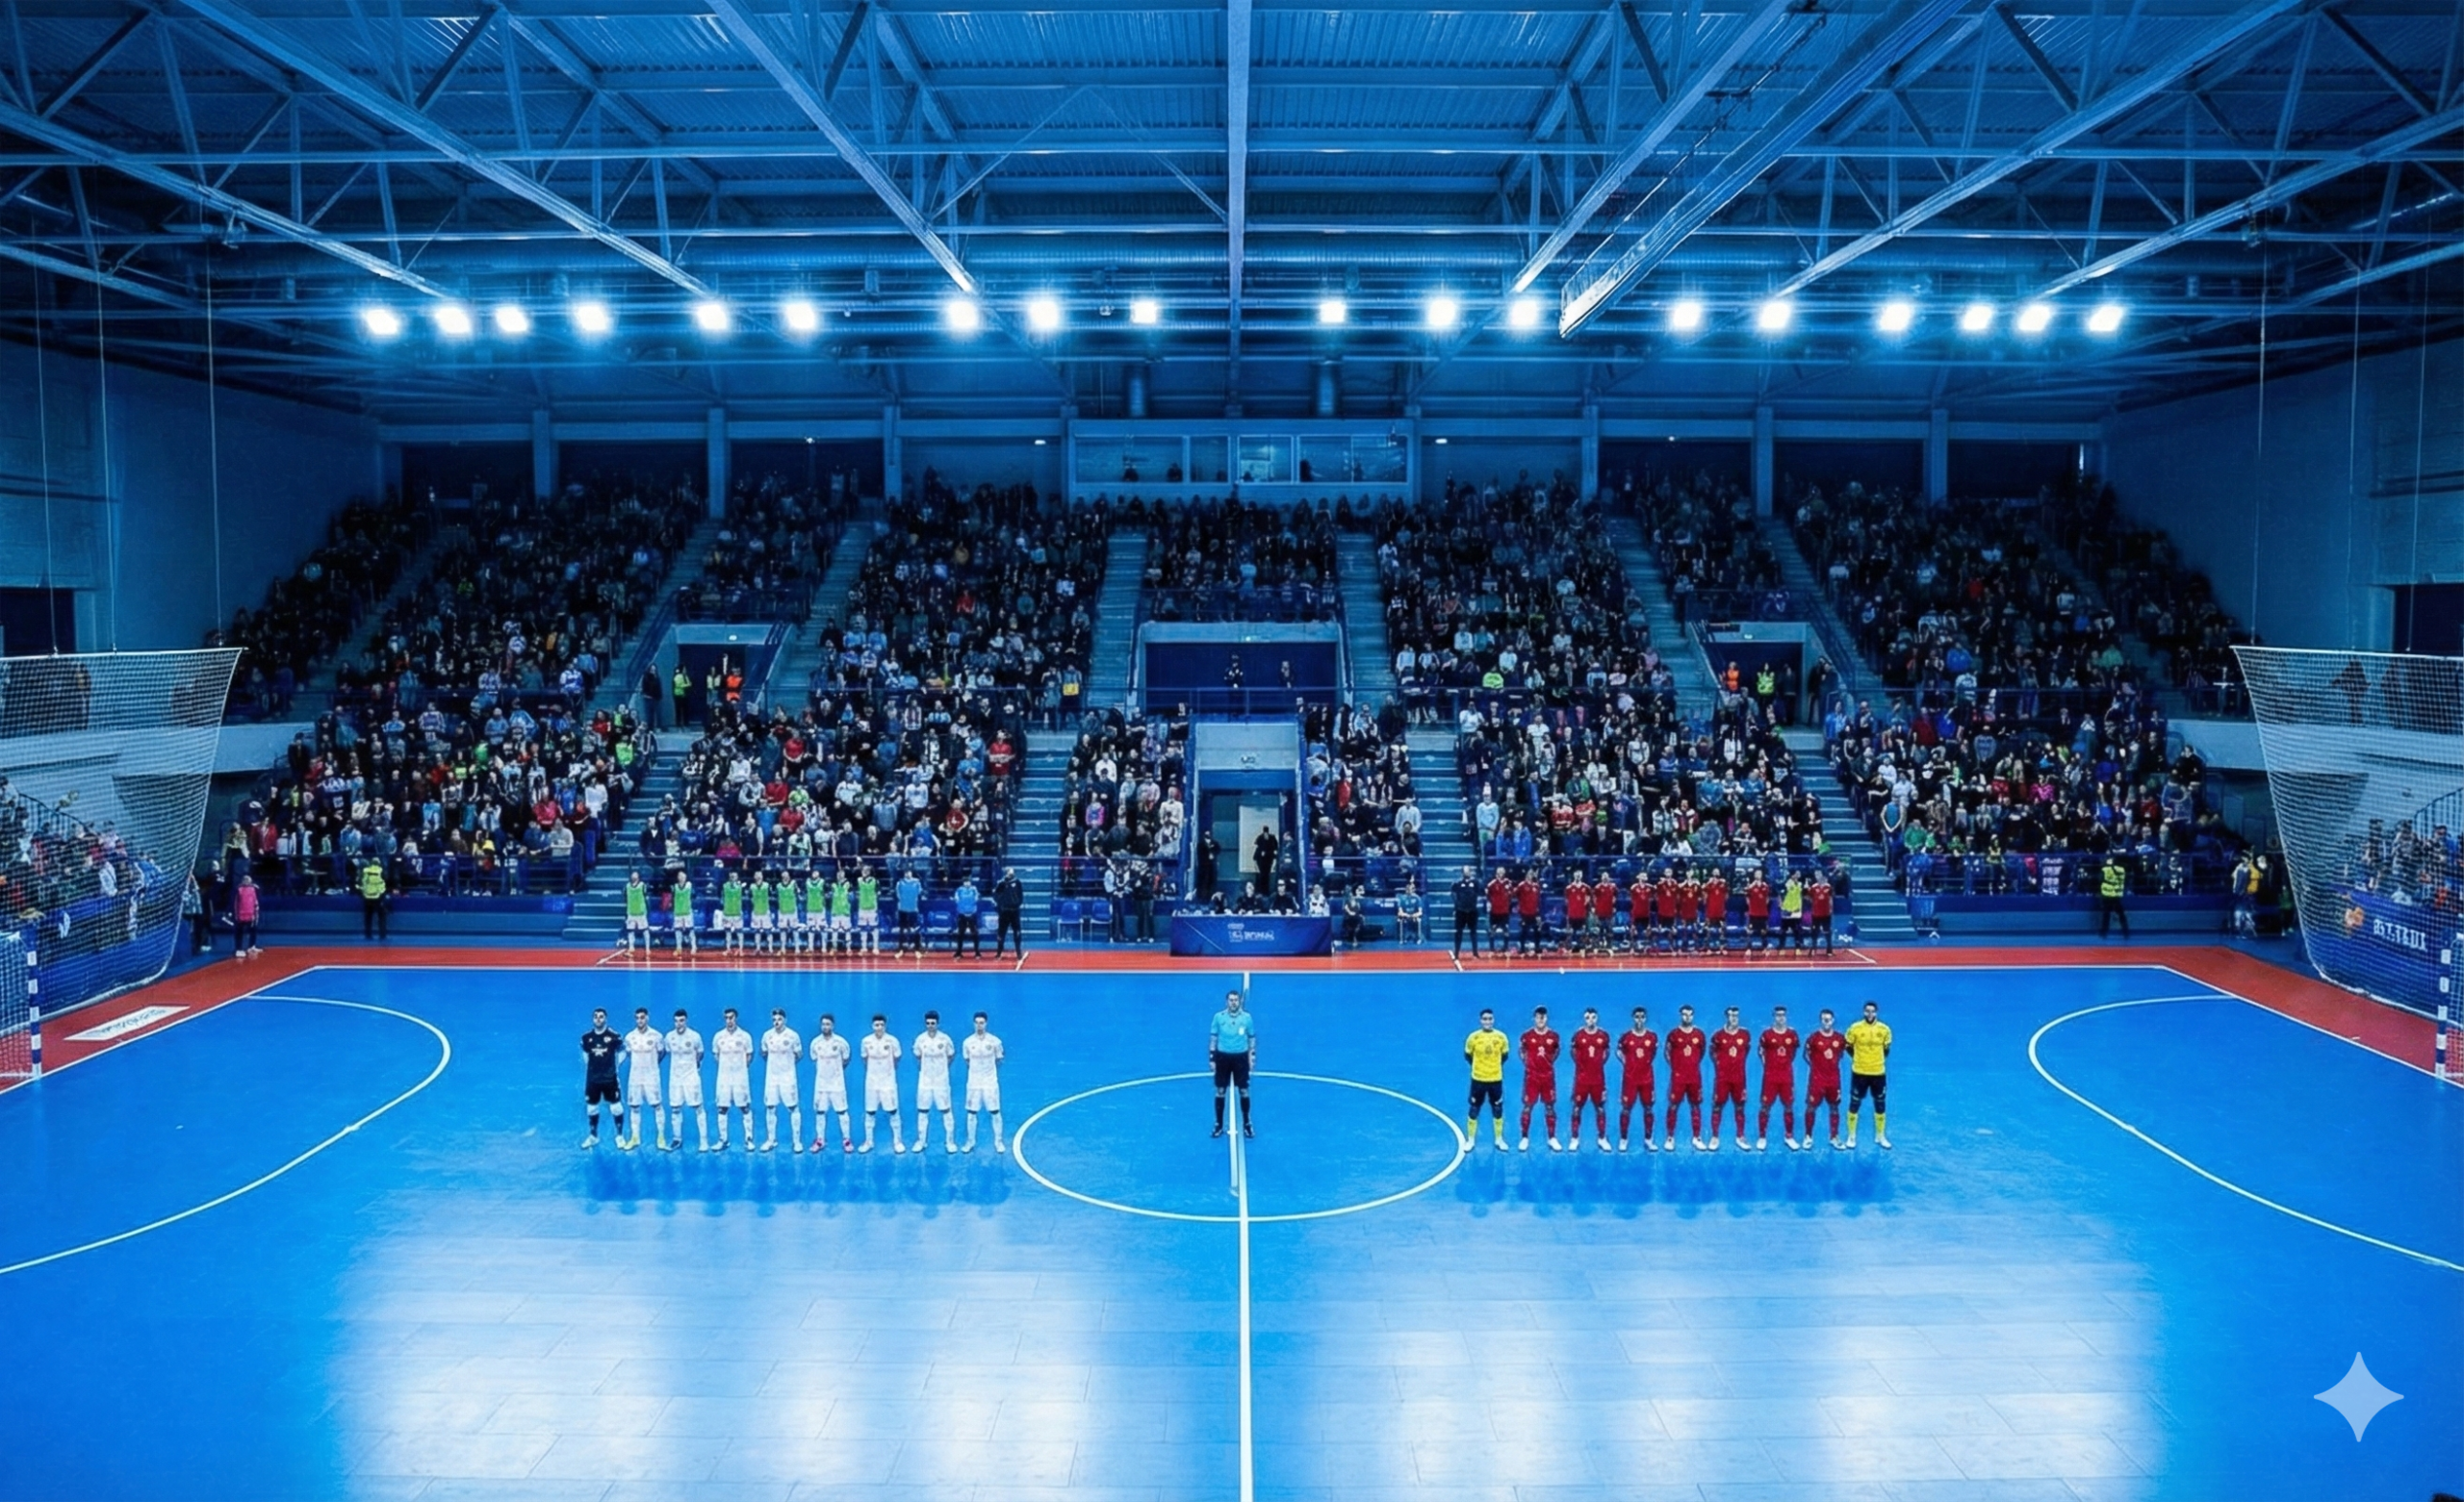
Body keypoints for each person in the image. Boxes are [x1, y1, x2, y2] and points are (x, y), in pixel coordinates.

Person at [1844, 1000, 1892, 1149]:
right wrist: (1860, 1059)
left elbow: (1886, 1050)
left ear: (1876, 1012)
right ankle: (1851, 1137)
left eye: (1872, 1011)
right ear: (1863, 1012)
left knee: (1880, 1103)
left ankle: (1880, 1136)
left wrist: (1875, 1061)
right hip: (1859, 1072)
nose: (1870, 1014)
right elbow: (1848, 1046)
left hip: (1878, 1073)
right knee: (1854, 1103)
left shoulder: (1885, 1030)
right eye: (1867, 1011)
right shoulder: (1855, 1028)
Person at [1208, 988, 1256, 1139]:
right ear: (1227, 1001)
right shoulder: (1218, 1017)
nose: (1233, 1002)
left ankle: (1247, 1123)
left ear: (1239, 1001)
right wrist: (1212, 1058)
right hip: (1223, 1058)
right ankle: (1219, 1124)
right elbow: (1214, 1039)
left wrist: (1251, 1058)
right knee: (1220, 1090)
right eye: (1231, 1000)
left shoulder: (1247, 1018)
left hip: (1240, 1058)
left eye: (1236, 1000)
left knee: (1243, 1091)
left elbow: (1251, 1038)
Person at [1756, 1006, 1802, 1152]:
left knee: (1788, 1105)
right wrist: (1770, 1067)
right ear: (1774, 1017)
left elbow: (1793, 1053)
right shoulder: (1766, 1035)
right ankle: (1762, 1137)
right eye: (1777, 1015)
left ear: (1786, 1017)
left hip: (1786, 1077)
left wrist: (1784, 1065)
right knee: (1765, 1106)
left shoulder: (1792, 1035)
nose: (1780, 1018)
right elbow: (1761, 1052)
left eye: (1783, 1015)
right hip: (1770, 1077)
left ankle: (1789, 1137)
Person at [1463, 1007, 1510, 1150]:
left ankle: (1499, 1139)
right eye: (1485, 1019)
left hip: (1495, 1079)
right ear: (1480, 1020)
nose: (1487, 1021)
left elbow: (1504, 1056)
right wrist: (1479, 1068)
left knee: (1497, 1109)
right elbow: (1468, 1055)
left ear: (1493, 1020)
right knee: (1474, 1108)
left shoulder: (1501, 1037)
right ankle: (1470, 1140)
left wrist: (1493, 1067)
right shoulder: (1473, 1038)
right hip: (1478, 1079)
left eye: (1490, 1019)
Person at [1662, 1004, 1707, 1151]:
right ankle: (1670, 1138)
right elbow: (1667, 1053)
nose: (1687, 1017)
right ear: (1680, 1015)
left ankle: (1697, 1138)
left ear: (1693, 1016)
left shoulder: (1699, 1035)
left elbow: (1701, 1053)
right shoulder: (1673, 1035)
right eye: (1684, 1014)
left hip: (1694, 1077)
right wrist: (1676, 1068)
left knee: (1695, 1105)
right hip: (1678, 1077)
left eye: (1690, 1014)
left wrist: (1691, 1065)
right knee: (1673, 1105)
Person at [912, 1010, 959, 1153]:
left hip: (941, 1081)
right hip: (925, 1081)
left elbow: (951, 1056)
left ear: (938, 1023)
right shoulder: (920, 1040)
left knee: (946, 1110)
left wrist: (941, 1069)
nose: (930, 1026)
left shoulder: (945, 1040)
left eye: (933, 1023)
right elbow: (918, 1057)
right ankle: (921, 1141)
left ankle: (950, 1142)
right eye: (928, 1023)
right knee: (923, 1111)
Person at [621, 1006, 666, 1151]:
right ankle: (635, 1138)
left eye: (642, 1017)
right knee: (634, 1106)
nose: (640, 1020)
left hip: (651, 1077)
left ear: (647, 1018)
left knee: (657, 1105)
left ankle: (661, 1137)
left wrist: (651, 1064)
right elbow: (629, 1054)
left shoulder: (656, 1036)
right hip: (635, 1077)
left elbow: (662, 1053)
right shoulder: (629, 1037)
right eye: (637, 1018)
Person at [1517, 1005, 1561, 1152]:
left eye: (1543, 1016)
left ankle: (1552, 1138)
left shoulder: (1553, 1036)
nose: (1541, 1019)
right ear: (1534, 1018)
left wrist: (1547, 1064)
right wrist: (1529, 1064)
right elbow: (1521, 1051)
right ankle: (1524, 1138)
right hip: (1532, 1077)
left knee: (1550, 1106)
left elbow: (1556, 1051)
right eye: (1538, 1016)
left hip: (1547, 1077)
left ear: (1546, 1018)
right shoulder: (1527, 1036)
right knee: (1528, 1106)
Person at [860, 1014, 906, 1153]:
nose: (879, 1028)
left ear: (885, 1026)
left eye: (881, 1025)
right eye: (876, 1025)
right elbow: (865, 1060)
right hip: (872, 1083)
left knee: (893, 1111)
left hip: (888, 1083)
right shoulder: (866, 1041)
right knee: (870, 1112)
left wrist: (888, 1073)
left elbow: (897, 1059)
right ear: (872, 1026)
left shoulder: (892, 1041)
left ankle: (897, 1141)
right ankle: (869, 1141)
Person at [665, 1008, 709, 1152]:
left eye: (682, 1021)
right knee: (675, 1108)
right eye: (676, 1021)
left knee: (698, 1107)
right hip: (675, 1079)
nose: (679, 1024)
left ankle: (703, 1141)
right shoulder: (669, 1037)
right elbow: (666, 1052)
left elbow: (700, 1053)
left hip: (691, 1078)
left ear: (686, 1021)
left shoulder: (695, 1036)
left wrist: (694, 1067)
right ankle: (677, 1139)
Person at [808, 1013, 854, 1152]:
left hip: (837, 1084)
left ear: (833, 1025)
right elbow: (814, 1059)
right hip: (821, 1085)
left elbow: (846, 1059)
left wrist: (836, 1072)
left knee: (842, 1112)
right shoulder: (815, 1043)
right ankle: (820, 1140)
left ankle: (846, 1140)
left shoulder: (841, 1043)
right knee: (820, 1112)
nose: (825, 1027)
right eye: (823, 1024)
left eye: (828, 1024)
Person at [962, 1010, 1006, 1153]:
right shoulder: (967, 1042)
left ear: (986, 1023)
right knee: (972, 1112)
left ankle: (998, 1142)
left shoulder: (995, 1042)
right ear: (973, 1023)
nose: (979, 1025)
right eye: (977, 1023)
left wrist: (988, 1073)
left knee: (995, 1111)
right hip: (974, 1082)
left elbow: (999, 1059)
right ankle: (970, 1142)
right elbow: (967, 1060)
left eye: (982, 1023)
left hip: (990, 1082)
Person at [1709, 1006, 1753, 1151]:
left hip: (1739, 1078)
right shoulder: (1718, 1036)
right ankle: (1715, 1137)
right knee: (1717, 1106)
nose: (1734, 1019)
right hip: (1722, 1078)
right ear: (1726, 1017)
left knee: (1740, 1106)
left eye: (1736, 1016)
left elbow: (1746, 1051)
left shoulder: (1745, 1035)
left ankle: (1740, 1136)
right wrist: (1721, 1066)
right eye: (1731, 1016)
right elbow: (1712, 1052)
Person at [1804, 1008, 1848, 1149]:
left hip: (1833, 1080)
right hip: (1817, 1080)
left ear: (1833, 1020)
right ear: (1821, 1020)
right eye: (1824, 1019)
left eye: (1829, 1019)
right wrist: (1817, 1067)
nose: (1827, 1022)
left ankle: (1834, 1137)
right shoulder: (1813, 1038)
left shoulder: (1840, 1039)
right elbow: (1806, 1055)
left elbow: (1841, 1054)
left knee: (1834, 1107)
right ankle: (1808, 1136)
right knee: (1811, 1107)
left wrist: (1830, 1066)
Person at [759, 1008, 803, 1152]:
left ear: (784, 1020)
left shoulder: (793, 1036)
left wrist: (786, 1066)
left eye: (779, 1019)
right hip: (772, 1077)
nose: (776, 1022)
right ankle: (771, 1140)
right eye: (774, 1020)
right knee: (770, 1107)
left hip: (788, 1077)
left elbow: (799, 1054)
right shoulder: (767, 1036)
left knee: (793, 1107)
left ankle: (796, 1142)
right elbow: (764, 1053)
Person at [580, 1006, 625, 1150]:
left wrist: (616, 1066)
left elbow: (623, 1051)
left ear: (605, 1018)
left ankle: (619, 1135)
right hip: (593, 1080)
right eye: (596, 1016)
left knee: (616, 1108)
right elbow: (585, 1054)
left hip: (610, 1079)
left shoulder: (614, 1036)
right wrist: (592, 1068)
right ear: (593, 1019)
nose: (598, 1019)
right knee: (591, 1109)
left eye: (601, 1016)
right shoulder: (586, 1038)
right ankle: (593, 1136)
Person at [1569, 1006, 1612, 1151]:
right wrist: (1583, 1067)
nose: (1590, 1020)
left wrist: (1597, 1065)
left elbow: (1607, 1052)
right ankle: (1574, 1139)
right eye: (1587, 1018)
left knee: (1600, 1108)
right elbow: (1573, 1052)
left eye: (1593, 1017)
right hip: (1582, 1080)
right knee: (1576, 1108)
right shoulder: (1578, 1036)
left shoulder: (1603, 1036)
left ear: (1597, 1018)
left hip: (1598, 1080)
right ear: (1584, 1019)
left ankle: (1602, 1138)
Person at [711, 1007, 755, 1150]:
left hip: (740, 1077)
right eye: (726, 1018)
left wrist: (739, 1069)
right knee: (722, 1108)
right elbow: (716, 1055)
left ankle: (749, 1140)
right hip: (724, 1078)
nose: (729, 1021)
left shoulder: (745, 1036)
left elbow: (749, 1055)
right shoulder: (718, 1037)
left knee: (745, 1107)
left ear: (736, 1018)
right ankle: (723, 1140)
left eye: (731, 1018)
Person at [1616, 1006, 1657, 1152]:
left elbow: (1653, 1053)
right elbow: (1619, 1051)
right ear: (1633, 1018)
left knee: (1648, 1108)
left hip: (1646, 1079)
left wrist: (1644, 1065)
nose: (1639, 1020)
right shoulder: (1626, 1037)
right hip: (1630, 1079)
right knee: (1626, 1108)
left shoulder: (1652, 1037)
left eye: (1642, 1017)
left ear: (1645, 1018)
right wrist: (1626, 1062)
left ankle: (1648, 1139)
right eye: (1637, 1017)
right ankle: (1623, 1139)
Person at [991, 866, 1026, 957]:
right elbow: (995, 894)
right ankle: (999, 952)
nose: (1011, 874)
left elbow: (1021, 895)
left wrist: (1017, 903)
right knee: (1001, 932)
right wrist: (1001, 904)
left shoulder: (1017, 882)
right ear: (1006, 873)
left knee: (1017, 932)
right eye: (1010, 872)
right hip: (1004, 912)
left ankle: (1018, 952)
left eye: (1012, 872)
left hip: (1014, 911)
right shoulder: (1001, 883)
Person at [357, 854, 389, 942]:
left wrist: (362, 892)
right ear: (379, 863)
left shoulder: (365, 871)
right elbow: (386, 881)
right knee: (381, 916)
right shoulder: (381, 871)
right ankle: (382, 935)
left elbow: (360, 882)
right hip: (378, 897)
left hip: (367, 897)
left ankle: (368, 935)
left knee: (368, 917)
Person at [2097, 856, 2130, 940]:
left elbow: (2100, 879)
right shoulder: (2122, 870)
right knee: (2121, 914)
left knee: (2106, 915)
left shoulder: (2105, 869)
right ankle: (2126, 932)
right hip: (2117, 895)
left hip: (2107, 895)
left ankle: (2104, 933)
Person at [232, 870, 261, 960]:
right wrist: (235, 915)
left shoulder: (254, 889)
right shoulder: (238, 890)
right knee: (239, 932)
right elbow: (235, 903)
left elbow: (256, 901)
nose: (247, 881)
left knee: (253, 930)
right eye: (245, 879)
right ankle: (238, 949)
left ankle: (251, 946)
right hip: (241, 914)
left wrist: (256, 913)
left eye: (248, 879)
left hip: (251, 914)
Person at [952, 874, 983, 957]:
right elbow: (956, 899)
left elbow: (977, 898)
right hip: (962, 915)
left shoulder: (974, 889)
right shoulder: (959, 890)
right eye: (965, 882)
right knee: (960, 934)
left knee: (975, 933)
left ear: (970, 882)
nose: (967, 883)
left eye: (968, 882)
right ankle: (958, 952)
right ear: (963, 883)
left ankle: (977, 952)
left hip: (972, 914)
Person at [1450, 868, 1479, 959]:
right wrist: (1457, 904)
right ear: (1462, 873)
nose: (1467, 872)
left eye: (1468, 871)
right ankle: (1456, 953)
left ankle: (1475, 953)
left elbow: (1480, 893)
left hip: (1472, 911)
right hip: (1461, 911)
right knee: (1458, 932)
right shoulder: (1457, 883)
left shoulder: (1475, 883)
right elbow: (1453, 894)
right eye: (1465, 871)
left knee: (1473, 932)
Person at [894, 867, 924, 955]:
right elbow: (898, 895)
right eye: (906, 872)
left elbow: (919, 894)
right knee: (902, 930)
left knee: (916, 929)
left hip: (913, 909)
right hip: (902, 909)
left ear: (912, 873)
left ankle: (917, 949)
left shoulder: (917, 883)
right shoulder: (899, 883)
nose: (908, 874)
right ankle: (901, 948)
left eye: (909, 872)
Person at [621, 870, 651, 955]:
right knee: (630, 931)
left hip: (641, 912)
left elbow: (646, 897)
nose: (633, 876)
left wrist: (646, 909)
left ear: (638, 876)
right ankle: (631, 947)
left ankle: (647, 949)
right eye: (632, 874)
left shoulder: (642, 886)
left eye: (635, 874)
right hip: (631, 912)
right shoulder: (627, 886)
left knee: (645, 930)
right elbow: (625, 897)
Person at [717, 868, 746, 955]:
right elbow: (720, 895)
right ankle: (728, 949)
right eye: (731, 876)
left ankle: (741, 949)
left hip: (737, 913)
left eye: (735, 876)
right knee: (728, 932)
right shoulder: (724, 885)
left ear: (737, 877)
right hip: (727, 912)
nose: (733, 877)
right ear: (729, 876)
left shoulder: (741, 886)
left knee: (739, 932)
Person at [183, 871, 212, 957]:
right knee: (190, 930)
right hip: (187, 913)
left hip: (197, 912)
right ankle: (192, 946)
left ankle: (198, 945)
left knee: (198, 929)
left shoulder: (197, 890)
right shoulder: (185, 890)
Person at [855, 865, 882, 955]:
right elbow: (856, 893)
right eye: (863, 870)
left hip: (872, 908)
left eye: (866, 870)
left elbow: (878, 893)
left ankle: (875, 947)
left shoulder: (875, 881)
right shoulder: (858, 880)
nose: (864, 872)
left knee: (874, 928)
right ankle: (864, 947)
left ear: (870, 872)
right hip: (862, 907)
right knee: (863, 928)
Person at [1485, 867, 1512, 956]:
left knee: (1506, 930)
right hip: (1495, 911)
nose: (1501, 873)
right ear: (1496, 873)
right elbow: (1487, 895)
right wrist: (1491, 903)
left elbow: (1511, 894)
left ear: (1504, 872)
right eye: (1499, 872)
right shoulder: (1492, 884)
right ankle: (1492, 949)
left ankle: (1505, 949)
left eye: (1502, 872)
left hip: (1504, 911)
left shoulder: (1508, 882)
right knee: (1492, 930)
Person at [670, 869, 698, 955]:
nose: (681, 878)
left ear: (686, 877)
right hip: (678, 912)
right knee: (678, 931)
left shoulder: (690, 886)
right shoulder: (674, 887)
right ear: (677, 877)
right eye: (680, 876)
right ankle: (679, 948)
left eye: (683, 876)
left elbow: (694, 896)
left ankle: (693, 947)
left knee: (690, 930)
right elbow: (672, 899)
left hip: (687, 912)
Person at [1808, 872, 1835, 955]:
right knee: (1815, 931)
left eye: (1819, 875)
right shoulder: (1813, 887)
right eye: (1816, 875)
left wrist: (1831, 908)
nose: (1817, 876)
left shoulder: (1829, 887)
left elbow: (1830, 898)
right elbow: (1809, 897)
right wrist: (1815, 903)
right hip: (1816, 913)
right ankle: (1813, 948)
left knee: (1827, 931)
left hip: (1826, 913)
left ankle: (1829, 949)